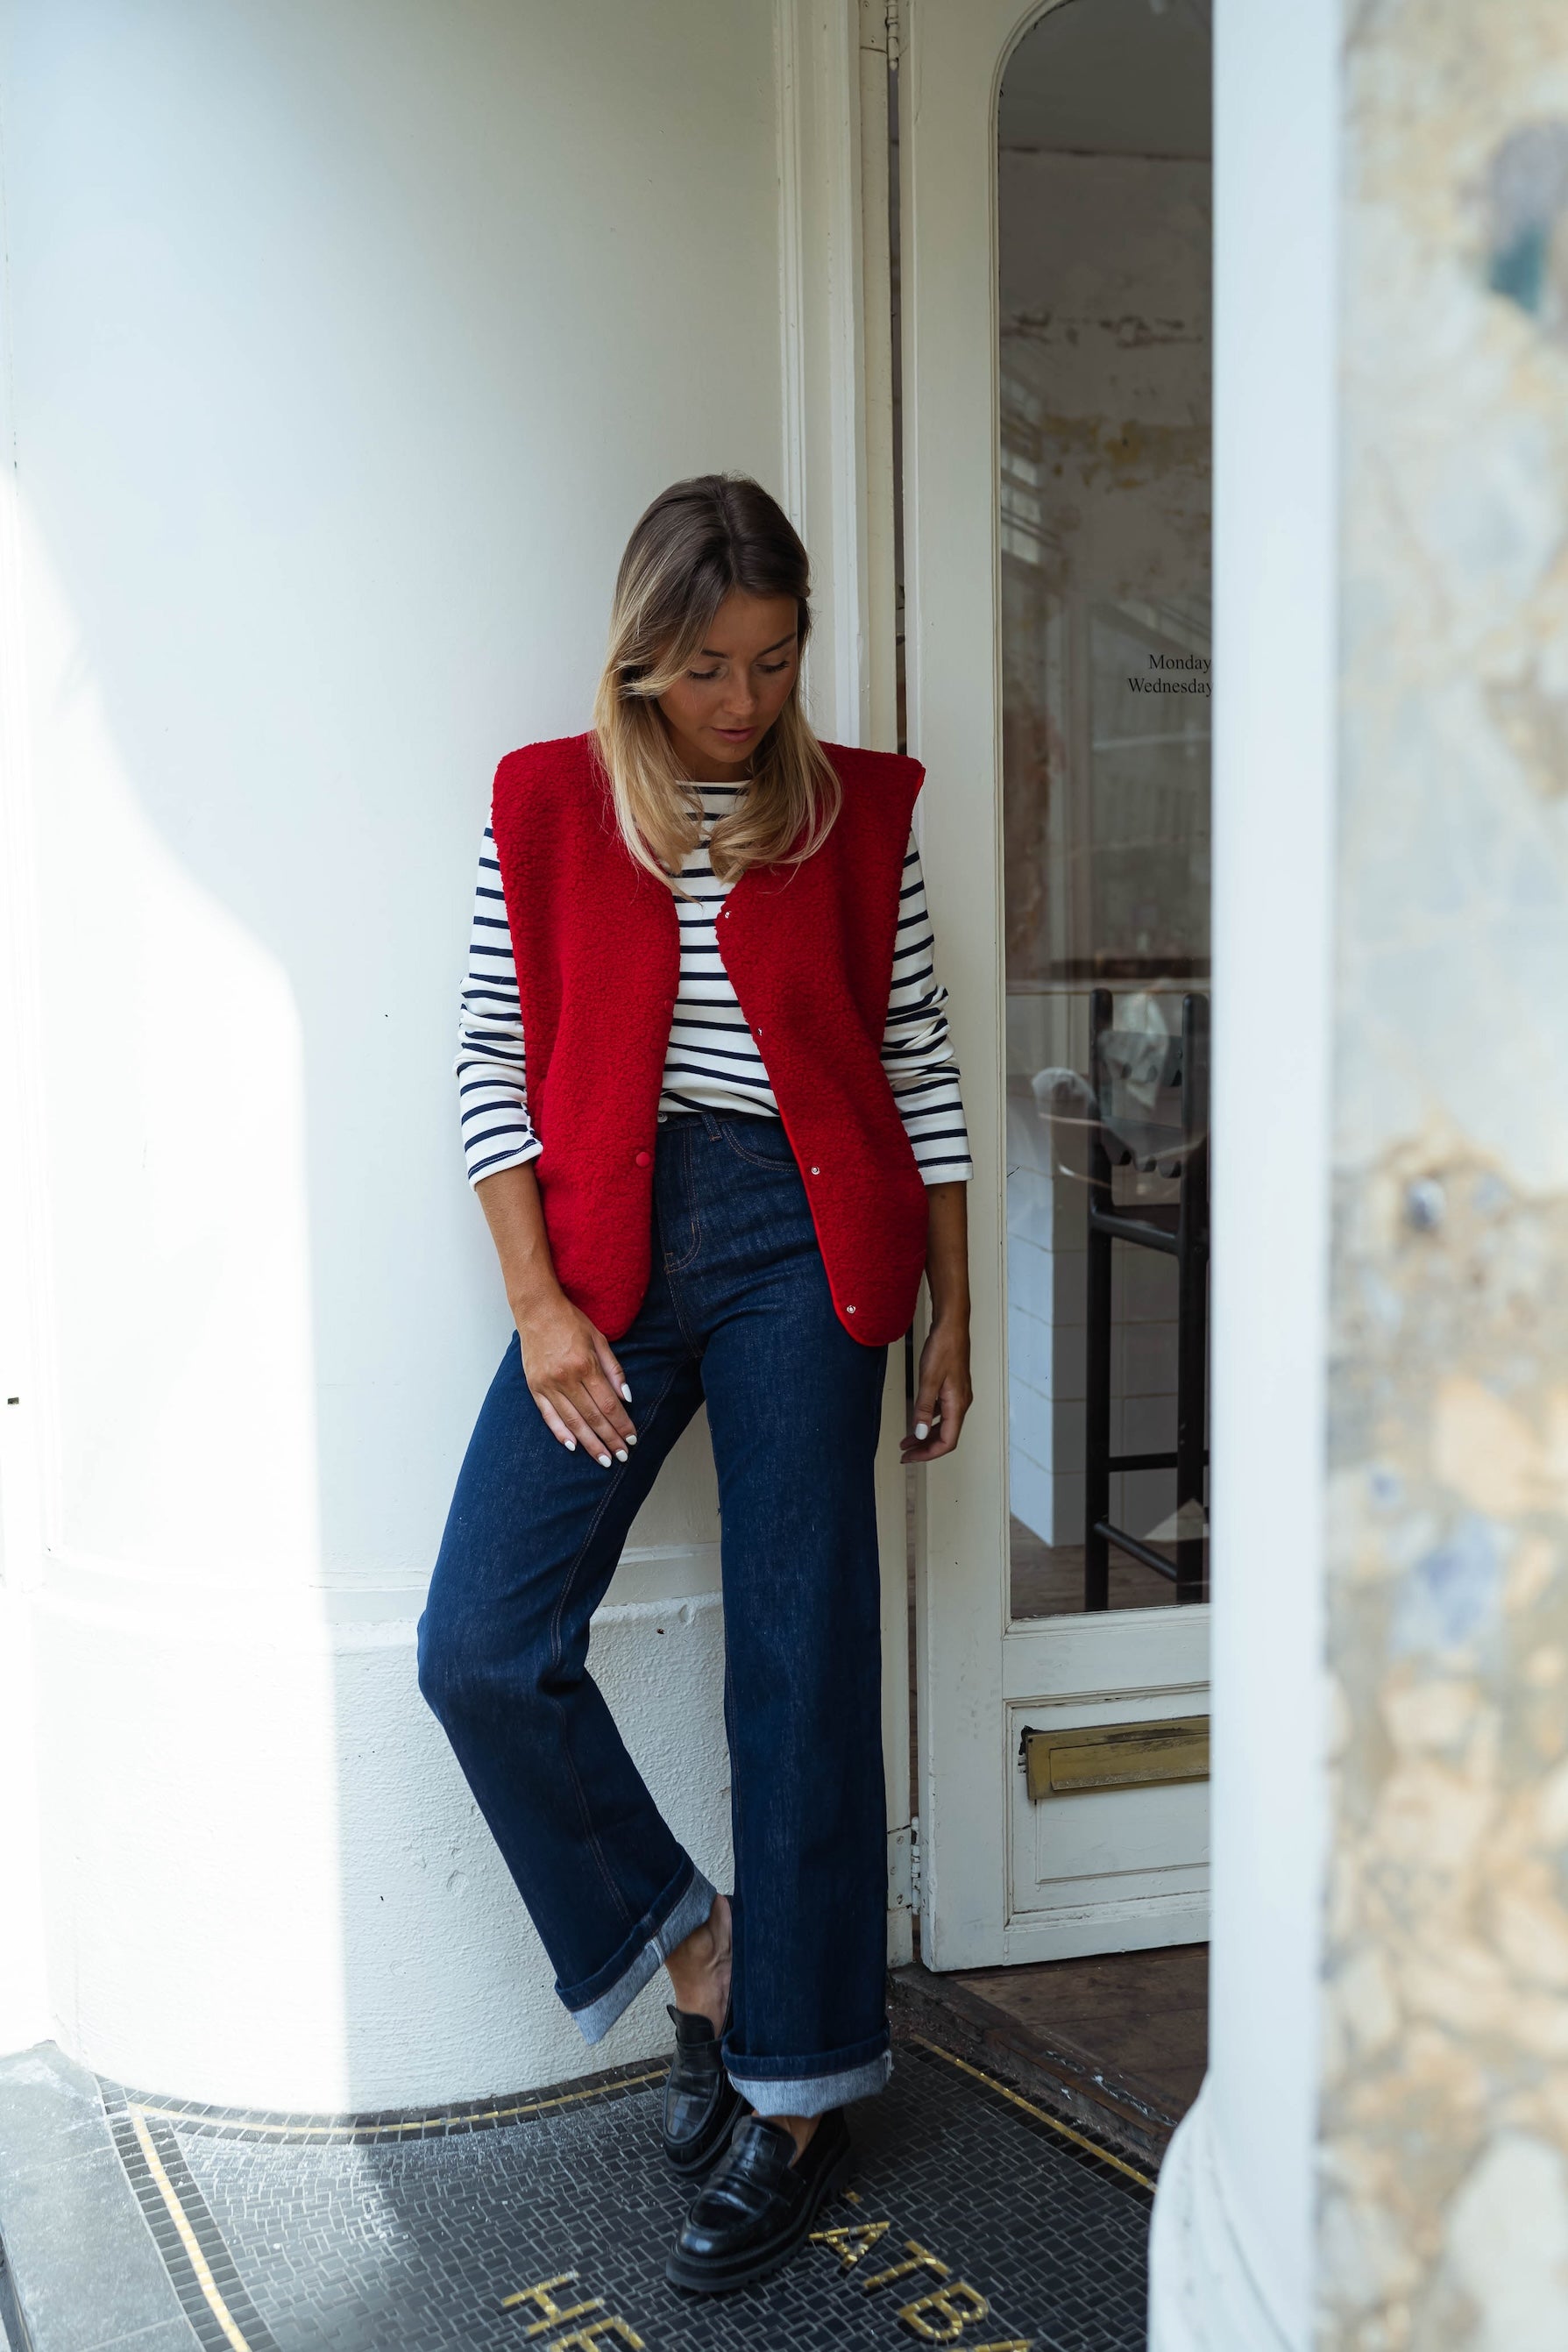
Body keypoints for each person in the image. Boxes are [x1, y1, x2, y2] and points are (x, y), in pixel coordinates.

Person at [417, 473, 972, 2294]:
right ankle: (702, 1952)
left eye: (773, 660)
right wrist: (538, 1308)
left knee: (801, 1659)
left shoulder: (860, 806)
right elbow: (496, 1058)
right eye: (710, 666)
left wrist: (950, 1302)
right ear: (644, 653)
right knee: (482, 1641)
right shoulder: (547, 801)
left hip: (815, 1246)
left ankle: (799, 2089)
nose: (743, 701)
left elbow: (917, 1062)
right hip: (610, 1247)